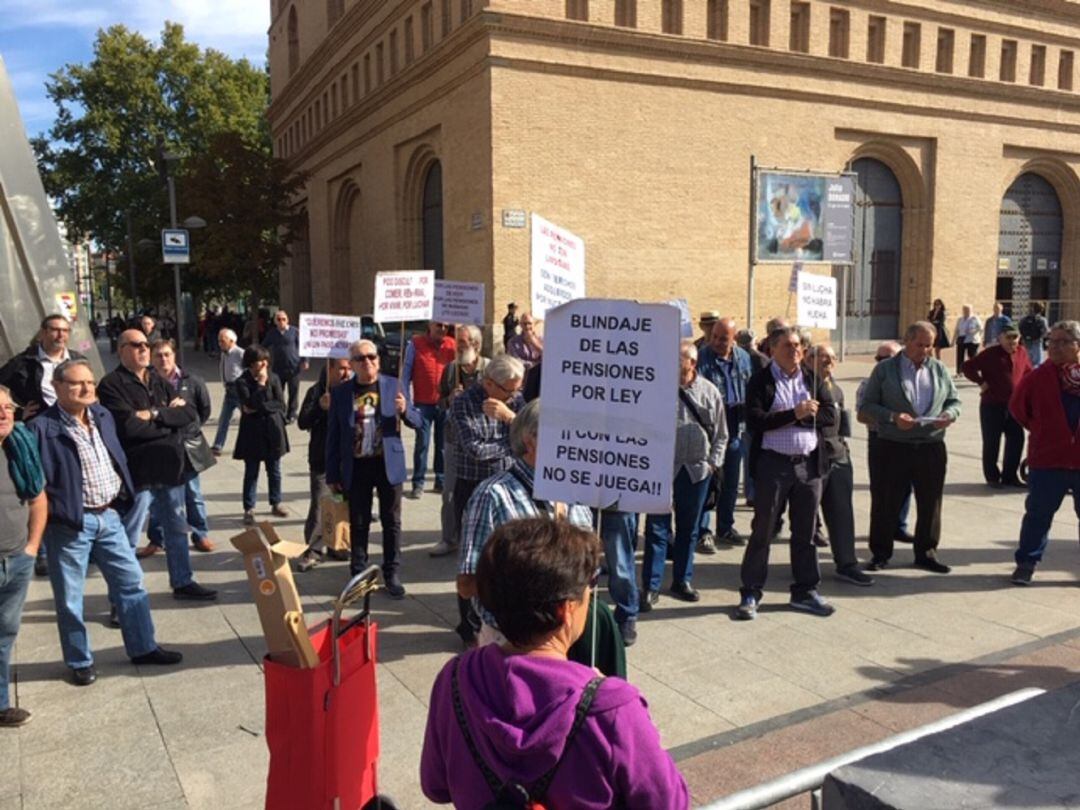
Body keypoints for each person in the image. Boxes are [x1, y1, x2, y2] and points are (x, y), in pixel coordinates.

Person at [422, 517, 689, 810]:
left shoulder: (455, 678)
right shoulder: (612, 707)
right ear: (566, 609)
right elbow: (670, 803)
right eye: (591, 584)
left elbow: (435, 786)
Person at [29, 359, 183, 687]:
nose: (86, 389)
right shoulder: (42, 428)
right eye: (76, 383)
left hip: (109, 516)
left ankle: (143, 647)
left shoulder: (101, 416)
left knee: (131, 584)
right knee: (70, 598)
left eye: (89, 383)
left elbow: (116, 455)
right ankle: (79, 660)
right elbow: (37, 482)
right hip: (70, 525)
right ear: (57, 387)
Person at [458, 400, 629, 661]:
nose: (576, 445)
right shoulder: (493, 495)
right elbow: (468, 584)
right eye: (565, 436)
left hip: (572, 639)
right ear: (530, 443)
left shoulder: (575, 493)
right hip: (513, 645)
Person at [98, 330, 217, 602]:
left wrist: (153, 415)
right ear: (121, 350)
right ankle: (123, 597)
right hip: (138, 473)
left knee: (176, 529)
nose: (143, 349)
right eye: (136, 345)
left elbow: (188, 414)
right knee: (128, 537)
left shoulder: (157, 380)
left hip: (169, 469)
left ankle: (182, 581)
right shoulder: (111, 384)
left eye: (146, 345)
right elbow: (127, 427)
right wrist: (167, 422)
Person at [736, 327, 837, 620]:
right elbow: (756, 420)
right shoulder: (762, 380)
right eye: (788, 346)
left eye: (798, 346)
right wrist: (796, 414)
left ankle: (805, 591)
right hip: (773, 466)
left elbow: (830, 416)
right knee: (763, 530)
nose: (795, 350)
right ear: (773, 349)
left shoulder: (812, 378)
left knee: (805, 532)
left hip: (808, 467)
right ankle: (751, 591)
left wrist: (801, 418)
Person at [859, 321, 961, 574]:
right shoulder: (885, 370)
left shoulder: (938, 369)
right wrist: (893, 417)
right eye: (920, 344)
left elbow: (954, 400)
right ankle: (880, 553)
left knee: (930, 502)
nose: (925, 350)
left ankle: (926, 553)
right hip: (893, 445)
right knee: (886, 501)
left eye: (929, 345)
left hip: (931, 445)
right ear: (907, 341)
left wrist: (949, 414)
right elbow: (867, 407)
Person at [325, 339, 421, 598]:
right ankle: (359, 572)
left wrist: (405, 412)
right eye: (361, 358)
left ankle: (392, 572)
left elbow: (418, 421)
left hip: (387, 463)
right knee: (359, 521)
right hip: (357, 465)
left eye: (372, 356)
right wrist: (332, 473)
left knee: (391, 521)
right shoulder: (342, 393)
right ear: (353, 364)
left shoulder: (394, 385)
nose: (368, 362)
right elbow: (333, 436)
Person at [643, 340, 727, 608]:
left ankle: (682, 580)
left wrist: (713, 463)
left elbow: (722, 434)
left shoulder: (709, 392)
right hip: (662, 469)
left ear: (692, 363)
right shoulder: (657, 390)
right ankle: (651, 585)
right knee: (656, 528)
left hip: (696, 471)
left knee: (689, 529)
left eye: (679, 358)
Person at [0, 314, 85, 576]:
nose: (60, 335)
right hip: (39, 432)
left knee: (70, 483)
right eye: (55, 330)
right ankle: (42, 551)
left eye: (64, 330)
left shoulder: (77, 360)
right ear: (43, 333)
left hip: (72, 432)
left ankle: (76, 540)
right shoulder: (25, 362)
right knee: (39, 486)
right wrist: (17, 411)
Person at [448, 354, 525, 643]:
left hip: (507, 485)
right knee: (473, 559)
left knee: (504, 556)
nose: (515, 394)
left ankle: (499, 615)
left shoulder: (514, 401)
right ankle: (468, 624)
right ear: (489, 383)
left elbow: (532, 434)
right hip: (473, 486)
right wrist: (513, 443)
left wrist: (511, 418)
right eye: (509, 389)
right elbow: (475, 450)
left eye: (517, 389)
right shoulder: (463, 402)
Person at [1009, 321, 1080, 585]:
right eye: (1052, 342)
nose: (1056, 347)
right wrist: (1040, 429)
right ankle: (1026, 563)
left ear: (1078, 346)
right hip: (1048, 459)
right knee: (1038, 515)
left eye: (1064, 342)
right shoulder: (1038, 377)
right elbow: (1018, 408)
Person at [142, 339, 215, 557]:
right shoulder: (145, 383)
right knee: (156, 496)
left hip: (187, 446)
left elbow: (204, 411)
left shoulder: (192, 382)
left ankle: (200, 533)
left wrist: (185, 422)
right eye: (158, 355)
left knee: (193, 493)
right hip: (158, 447)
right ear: (151, 359)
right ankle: (157, 539)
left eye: (167, 354)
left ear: (174, 356)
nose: (163, 359)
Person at [808, 346, 874, 586]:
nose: (828, 361)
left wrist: (844, 450)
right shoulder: (802, 385)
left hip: (837, 458)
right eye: (822, 356)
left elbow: (842, 423)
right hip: (811, 460)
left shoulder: (834, 388)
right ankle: (805, 568)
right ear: (809, 358)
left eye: (832, 358)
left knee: (842, 514)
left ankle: (847, 564)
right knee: (806, 517)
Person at [0, 385, 45, 725]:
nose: (4, 414)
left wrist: (31, 547)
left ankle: (1, 704)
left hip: (17, 558)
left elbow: (38, 499)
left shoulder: (19, 446)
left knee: (4, 635)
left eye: (8, 408)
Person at [431, 325, 488, 557]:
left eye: (462, 343)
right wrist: (449, 400)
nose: (458, 347)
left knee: (482, 492)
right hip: (454, 439)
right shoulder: (450, 370)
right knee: (450, 492)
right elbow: (440, 401)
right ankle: (449, 538)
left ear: (475, 344)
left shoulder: (490, 370)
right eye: (457, 342)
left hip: (482, 440)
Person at [696, 318, 752, 551]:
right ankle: (703, 531)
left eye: (723, 339)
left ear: (734, 338)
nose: (717, 342)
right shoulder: (702, 357)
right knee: (708, 483)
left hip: (736, 426)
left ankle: (725, 527)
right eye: (715, 337)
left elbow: (749, 385)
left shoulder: (744, 358)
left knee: (730, 482)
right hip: (709, 430)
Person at [296, 357, 352, 571]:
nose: (346, 373)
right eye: (341, 369)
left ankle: (337, 544)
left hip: (345, 459)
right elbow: (303, 422)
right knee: (319, 504)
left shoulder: (353, 392)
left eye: (348, 369)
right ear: (330, 369)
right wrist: (320, 407)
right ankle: (313, 549)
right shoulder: (316, 391)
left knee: (341, 502)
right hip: (321, 459)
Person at [856, 341, 914, 544]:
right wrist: (890, 419)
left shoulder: (908, 381)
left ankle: (899, 525)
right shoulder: (868, 383)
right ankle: (880, 533)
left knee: (906, 485)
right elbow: (862, 415)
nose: (884, 362)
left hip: (908, 439)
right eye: (880, 358)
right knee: (881, 489)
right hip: (881, 439)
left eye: (890, 358)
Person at [963, 324, 1032, 488]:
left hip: (1014, 407)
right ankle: (992, 477)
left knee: (1016, 440)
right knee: (992, 442)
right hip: (992, 405)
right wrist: (981, 382)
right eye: (1008, 337)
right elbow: (967, 367)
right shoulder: (990, 354)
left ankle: (1010, 476)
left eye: (1015, 337)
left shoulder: (1022, 353)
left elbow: (1029, 373)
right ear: (1000, 338)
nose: (1012, 341)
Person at [234, 345, 290, 525]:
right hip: (252, 433)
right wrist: (260, 386)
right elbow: (247, 404)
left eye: (266, 360)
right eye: (260, 361)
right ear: (251, 363)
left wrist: (259, 407)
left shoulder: (274, 378)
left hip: (273, 430)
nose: (264, 364)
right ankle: (249, 508)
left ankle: (276, 502)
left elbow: (280, 404)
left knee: (274, 470)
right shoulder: (243, 382)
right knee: (251, 472)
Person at [402, 320, 456, 500]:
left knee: (442, 445)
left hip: (444, 403)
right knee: (422, 444)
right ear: (430, 325)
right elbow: (406, 374)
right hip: (422, 404)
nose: (442, 329)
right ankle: (418, 483)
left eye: (446, 326)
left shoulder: (452, 345)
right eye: (438, 325)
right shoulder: (415, 344)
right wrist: (406, 402)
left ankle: (440, 480)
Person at [262, 310, 306, 423]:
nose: (281, 321)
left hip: (294, 367)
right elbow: (264, 346)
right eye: (279, 319)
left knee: (293, 391)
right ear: (275, 321)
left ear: (287, 320)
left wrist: (305, 361)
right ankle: (280, 411)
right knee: (278, 391)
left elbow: (303, 346)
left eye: (283, 319)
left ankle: (292, 413)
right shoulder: (272, 333)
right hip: (278, 368)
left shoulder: (295, 332)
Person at [211, 328, 245, 456]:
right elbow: (222, 369)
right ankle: (217, 445)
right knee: (223, 419)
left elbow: (248, 370)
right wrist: (224, 383)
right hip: (229, 390)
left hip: (239, 390)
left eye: (222, 341)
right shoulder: (224, 354)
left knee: (248, 419)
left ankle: (249, 444)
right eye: (219, 341)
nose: (220, 344)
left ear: (231, 341)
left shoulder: (240, 353)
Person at [954, 304, 982, 377]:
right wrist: (953, 340)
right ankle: (959, 372)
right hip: (961, 339)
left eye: (968, 310)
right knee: (960, 356)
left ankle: (974, 370)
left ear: (971, 310)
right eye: (965, 310)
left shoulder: (975, 318)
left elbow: (980, 328)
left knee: (972, 356)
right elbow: (957, 330)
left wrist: (974, 332)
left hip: (972, 340)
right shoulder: (960, 319)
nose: (966, 311)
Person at [1019, 302, 1050, 367]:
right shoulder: (1042, 320)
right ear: (1042, 309)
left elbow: (1020, 328)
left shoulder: (1025, 319)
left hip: (1026, 342)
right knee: (1037, 363)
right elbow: (1045, 332)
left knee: (1026, 362)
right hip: (1037, 341)